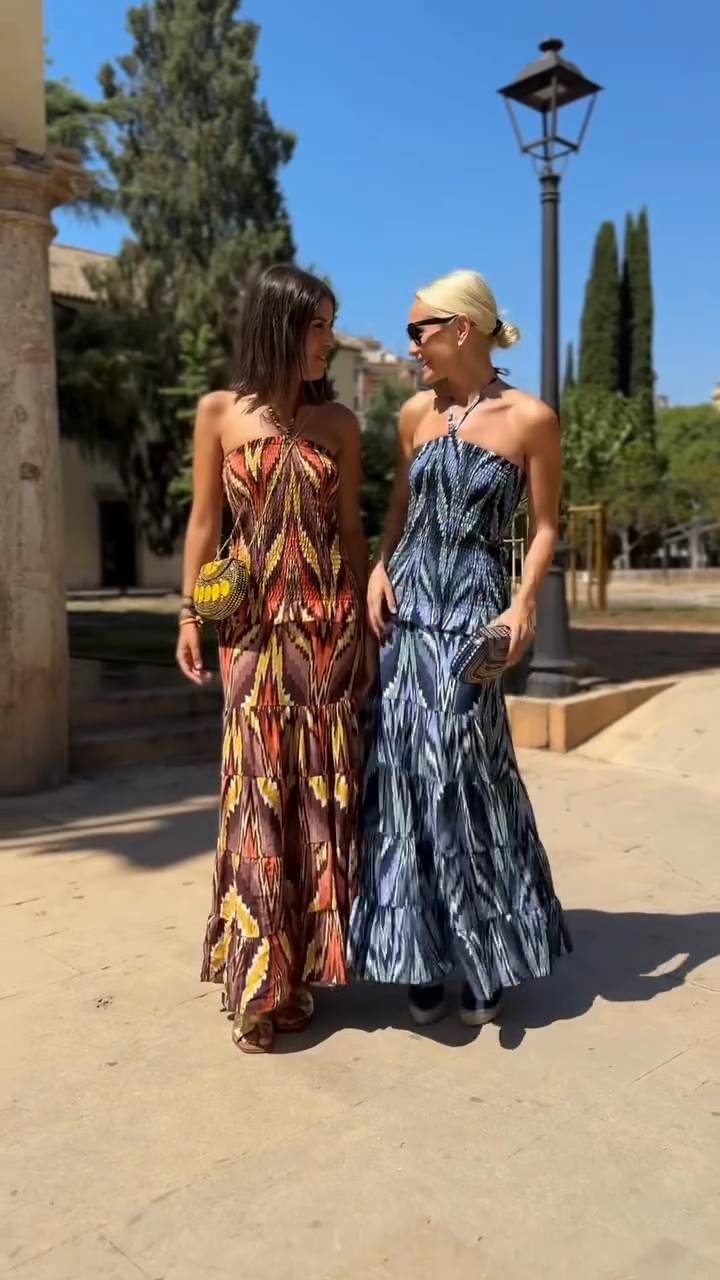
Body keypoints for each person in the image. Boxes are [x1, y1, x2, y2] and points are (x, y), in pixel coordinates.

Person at [347, 269, 572, 1027]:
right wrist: (380, 564)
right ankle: (416, 953)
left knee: (463, 777)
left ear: (462, 328)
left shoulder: (530, 417)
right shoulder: (416, 412)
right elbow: (399, 506)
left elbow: (545, 525)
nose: (411, 344)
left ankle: (483, 955)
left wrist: (522, 602)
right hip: (406, 612)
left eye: (420, 330)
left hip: (475, 611)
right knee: (403, 776)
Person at [176, 265, 369, 1054]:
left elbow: (350, 530)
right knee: (254, 798)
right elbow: (203, 523)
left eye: (330, 324)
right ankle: (258, 984)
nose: (329, 339)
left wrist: (366, 625)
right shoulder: (219, 412)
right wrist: (190, 613)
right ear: (281, 326)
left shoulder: (340, 424)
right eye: (318, 325)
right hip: (252, 633)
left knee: (318, 804)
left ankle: (304, 972)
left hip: (327, 630)